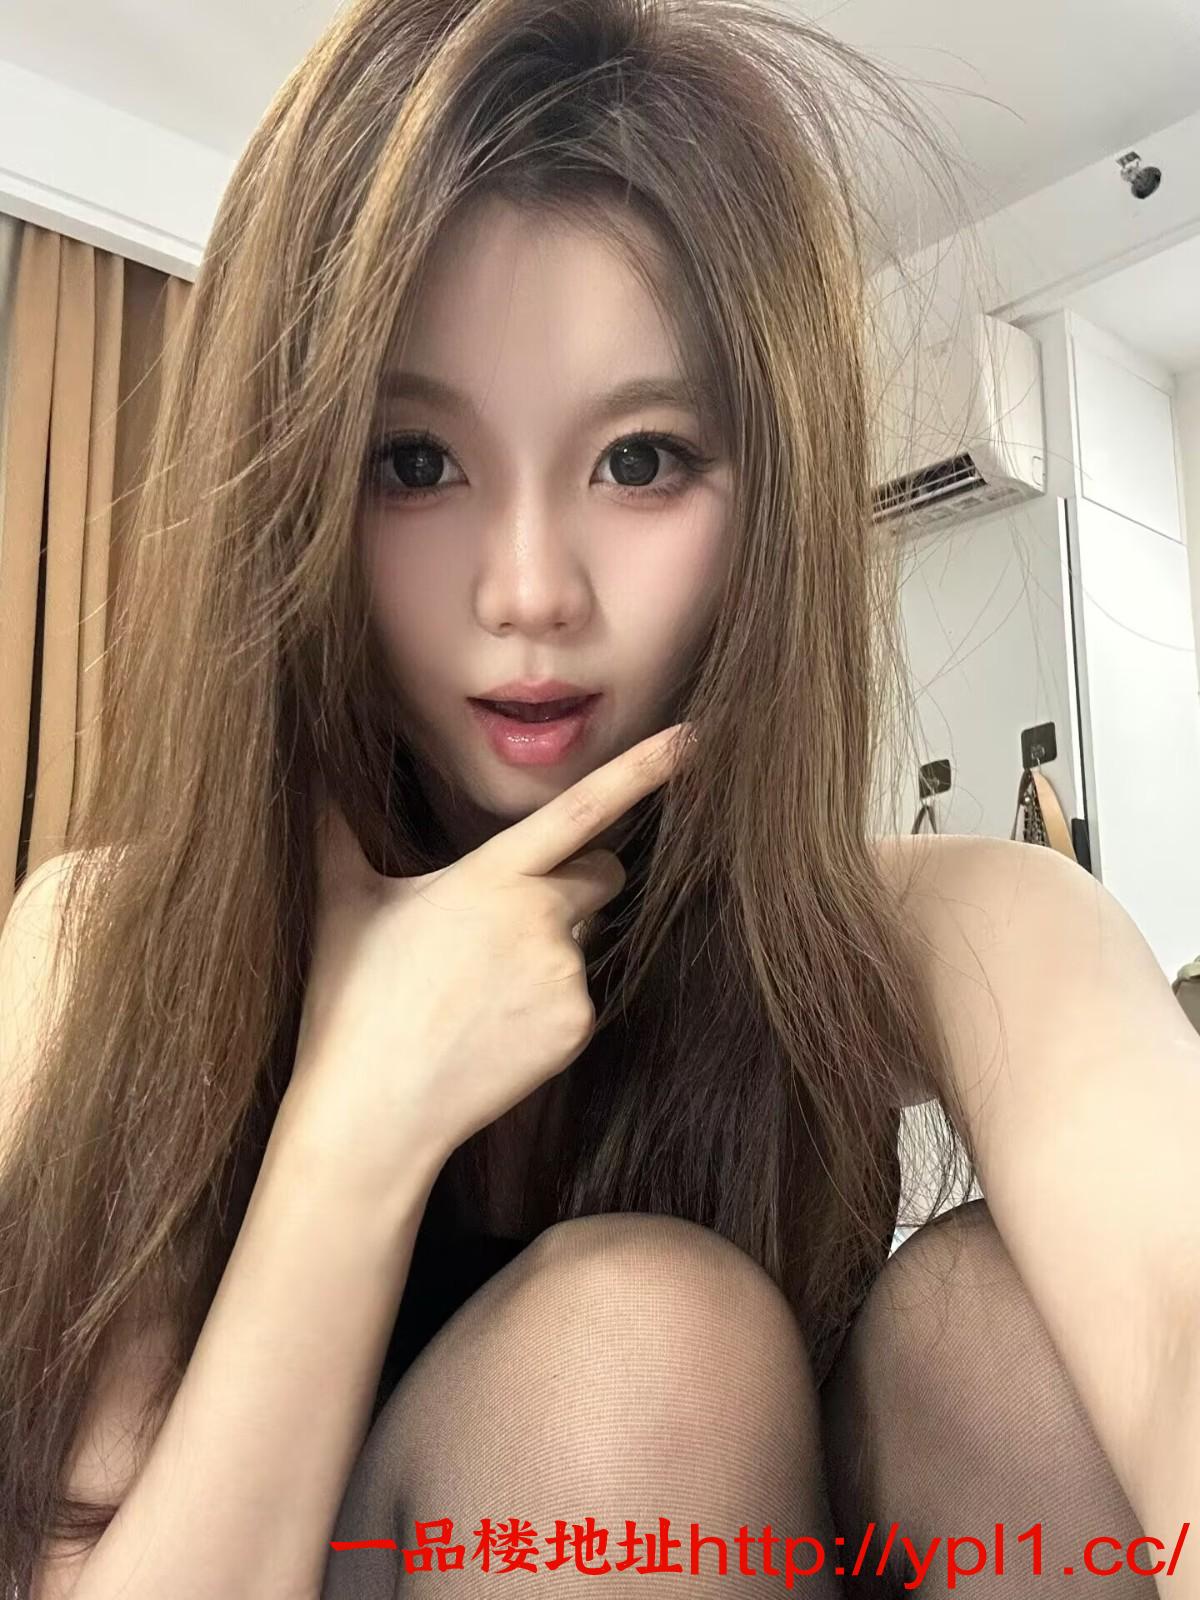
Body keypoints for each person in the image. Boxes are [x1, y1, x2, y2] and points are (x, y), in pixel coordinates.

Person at [0, 0, 1197, 1595]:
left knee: (1003, 1333)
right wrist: (356, 1122)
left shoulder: (950, 927)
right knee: (638, 1354)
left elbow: (1176, 1323)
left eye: (639, 461)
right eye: (412, 463)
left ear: (768, 499)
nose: (529, 593)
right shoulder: (108, 940)